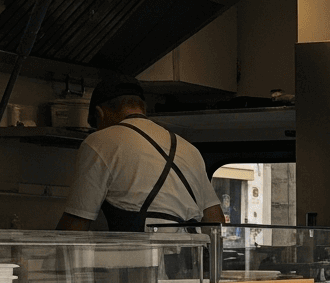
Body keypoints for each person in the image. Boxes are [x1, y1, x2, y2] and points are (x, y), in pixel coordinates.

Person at [58, 75, 225, 232]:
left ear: (99, 114)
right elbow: (215, 221)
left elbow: (75, 226)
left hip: (142, 253)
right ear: (142, 108)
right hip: (190, 252)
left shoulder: (98, 142)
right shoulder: (189, 149)